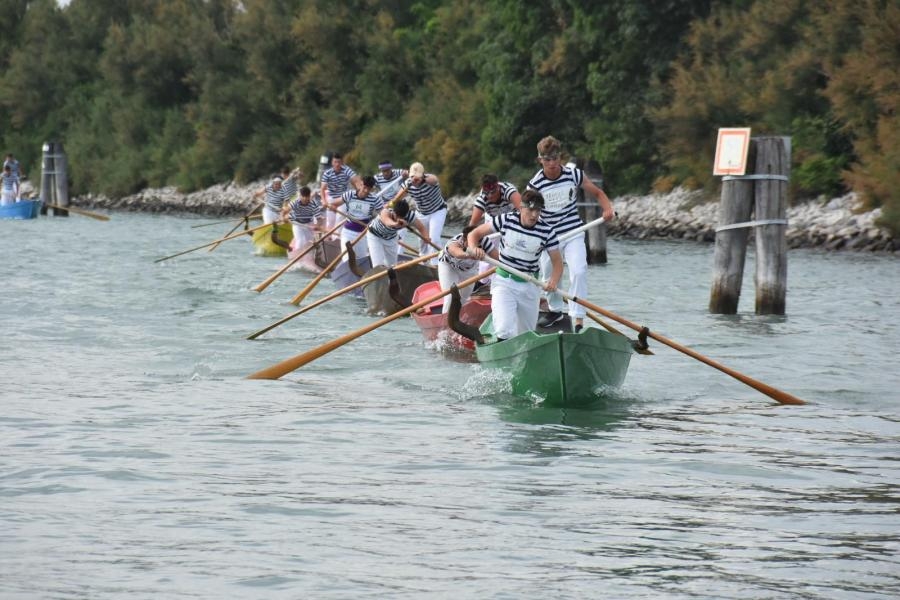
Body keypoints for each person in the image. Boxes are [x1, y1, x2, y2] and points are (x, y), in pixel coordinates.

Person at [527, 135, 614, 331]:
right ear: (540, 160)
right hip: (549, 237)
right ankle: (556, 311)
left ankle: (578, 318)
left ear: (561, 157)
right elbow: (526, 212)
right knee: (549, 279)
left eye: (555, 158)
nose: (552, 163)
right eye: (547, 159)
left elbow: (598, 193)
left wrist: (607, 209)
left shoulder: (574, 175)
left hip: (574, 232)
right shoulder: (535, 184)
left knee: (579, 271)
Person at [467, 190, 563, 341]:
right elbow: (473, 234)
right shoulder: (506, 220)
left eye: (538, 211)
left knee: (526, 336)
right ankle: (502, 349)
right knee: (504, 331)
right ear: (521, 208)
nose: (534, 215)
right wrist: (474, 248)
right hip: (504, 283)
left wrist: (553, 281)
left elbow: (557, 263)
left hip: (530, 286)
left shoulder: (547, 231)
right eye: (531, 210)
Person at [390, 162, 446, 264]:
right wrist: (389, 205)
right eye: (412, 177)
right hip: (421, 213)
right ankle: (423, 260)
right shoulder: (408, 184)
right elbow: (397, 198)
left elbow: (434, 179)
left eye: (417, 177)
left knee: (433, 238)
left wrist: (422, 178)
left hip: (437, 211)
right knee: (422, 239)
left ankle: (436, 264)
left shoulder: (430, 180)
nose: (414, 180)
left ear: (423, 175)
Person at [437, 225, 499, 313]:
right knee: (450, 296)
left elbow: (498, 259)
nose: (474, 245)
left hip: (469, 269)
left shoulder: (484, 241)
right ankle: (445, 321)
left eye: (476, 242)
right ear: (464, 239)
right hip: (448, 266)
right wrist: (470, 254)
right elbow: (457, 253)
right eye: (470, 242)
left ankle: (460, 316)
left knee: (465, 297)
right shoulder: (455, 242)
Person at [326, 174, 382, 262]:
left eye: (369, 189)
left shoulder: (375, 199)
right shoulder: (350, 194)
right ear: (361, 184)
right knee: (347, 259)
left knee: (361, 260)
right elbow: (334, 204)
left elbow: (383, 213)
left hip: (363, 234)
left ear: (372, 189)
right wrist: (331, 206)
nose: (366, 191)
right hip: (347, 233)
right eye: (364, 187)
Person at [366, 199, 430, 268]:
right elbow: (387, 222)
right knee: (377, 265)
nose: (398, 218)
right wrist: (396, 223)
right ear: (393, 211)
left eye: (401, 217)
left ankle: (391, 278)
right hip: (375, 236)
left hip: (391, 238)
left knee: (392, 266)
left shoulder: (410, 216)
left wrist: (426, 237)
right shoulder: (386, 211)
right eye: (397, 216)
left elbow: (421, 228)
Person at [280, 185, 323, 272]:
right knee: (300, 240)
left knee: (310, 243)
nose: (305, 199)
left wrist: (317, 226)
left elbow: (319, 219)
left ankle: (310, 261)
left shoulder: (313, 204)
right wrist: (282, 218)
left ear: (309, 196)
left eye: (307, 197)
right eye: (303, 197)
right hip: (297, 224)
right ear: (300, 196)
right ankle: (298, 263)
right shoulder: (295, 202)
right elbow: (284, 211)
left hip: (309, 224)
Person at [319, 153, 361, 230]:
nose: (337, 164)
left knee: (340, 219)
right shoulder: (327, 173)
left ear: (342, 162)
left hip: (343, 198)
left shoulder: (347, 170)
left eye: (339, 162)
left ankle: (337, 237)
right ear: (332, 162)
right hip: (331, 198)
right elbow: (322, 189)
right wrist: (324, 201)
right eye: (335, 162)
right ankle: (329, 238)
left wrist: (360, 193)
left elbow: (356, 180)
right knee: (330, 221)